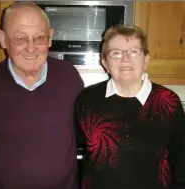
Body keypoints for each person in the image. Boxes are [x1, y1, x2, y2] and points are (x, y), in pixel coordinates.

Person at [0, 2, 84, 189]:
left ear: (50, 37)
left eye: (39, 38)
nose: (31, 48)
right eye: (20, 38)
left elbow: (88, 135)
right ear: (2, 39)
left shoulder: (69, 77)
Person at [75, 25, 185, 189]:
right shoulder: (87, 99)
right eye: (116, 53)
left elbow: (181, 163)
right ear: (104, 61)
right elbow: (79, 146)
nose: (125, 59)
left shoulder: (168, 101)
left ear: (146, 59)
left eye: (134, 51)